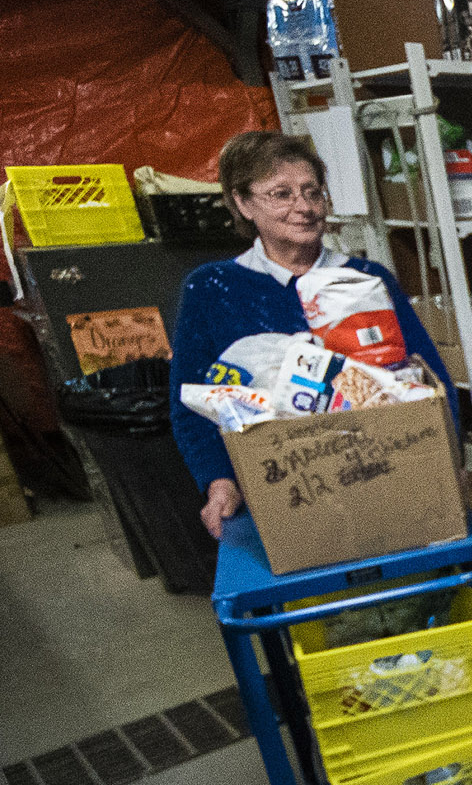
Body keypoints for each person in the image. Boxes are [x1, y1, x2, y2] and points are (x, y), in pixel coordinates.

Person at [169, 131, 453, 540]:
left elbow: (431, 379)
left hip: (386, 473)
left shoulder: (366, 281)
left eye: (312, 192)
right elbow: (191, 404)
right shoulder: (212, 288)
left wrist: (447, 460)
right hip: (284, 489)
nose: (303, 207)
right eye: (280, 194)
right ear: (243, 203)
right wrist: (219, 482)